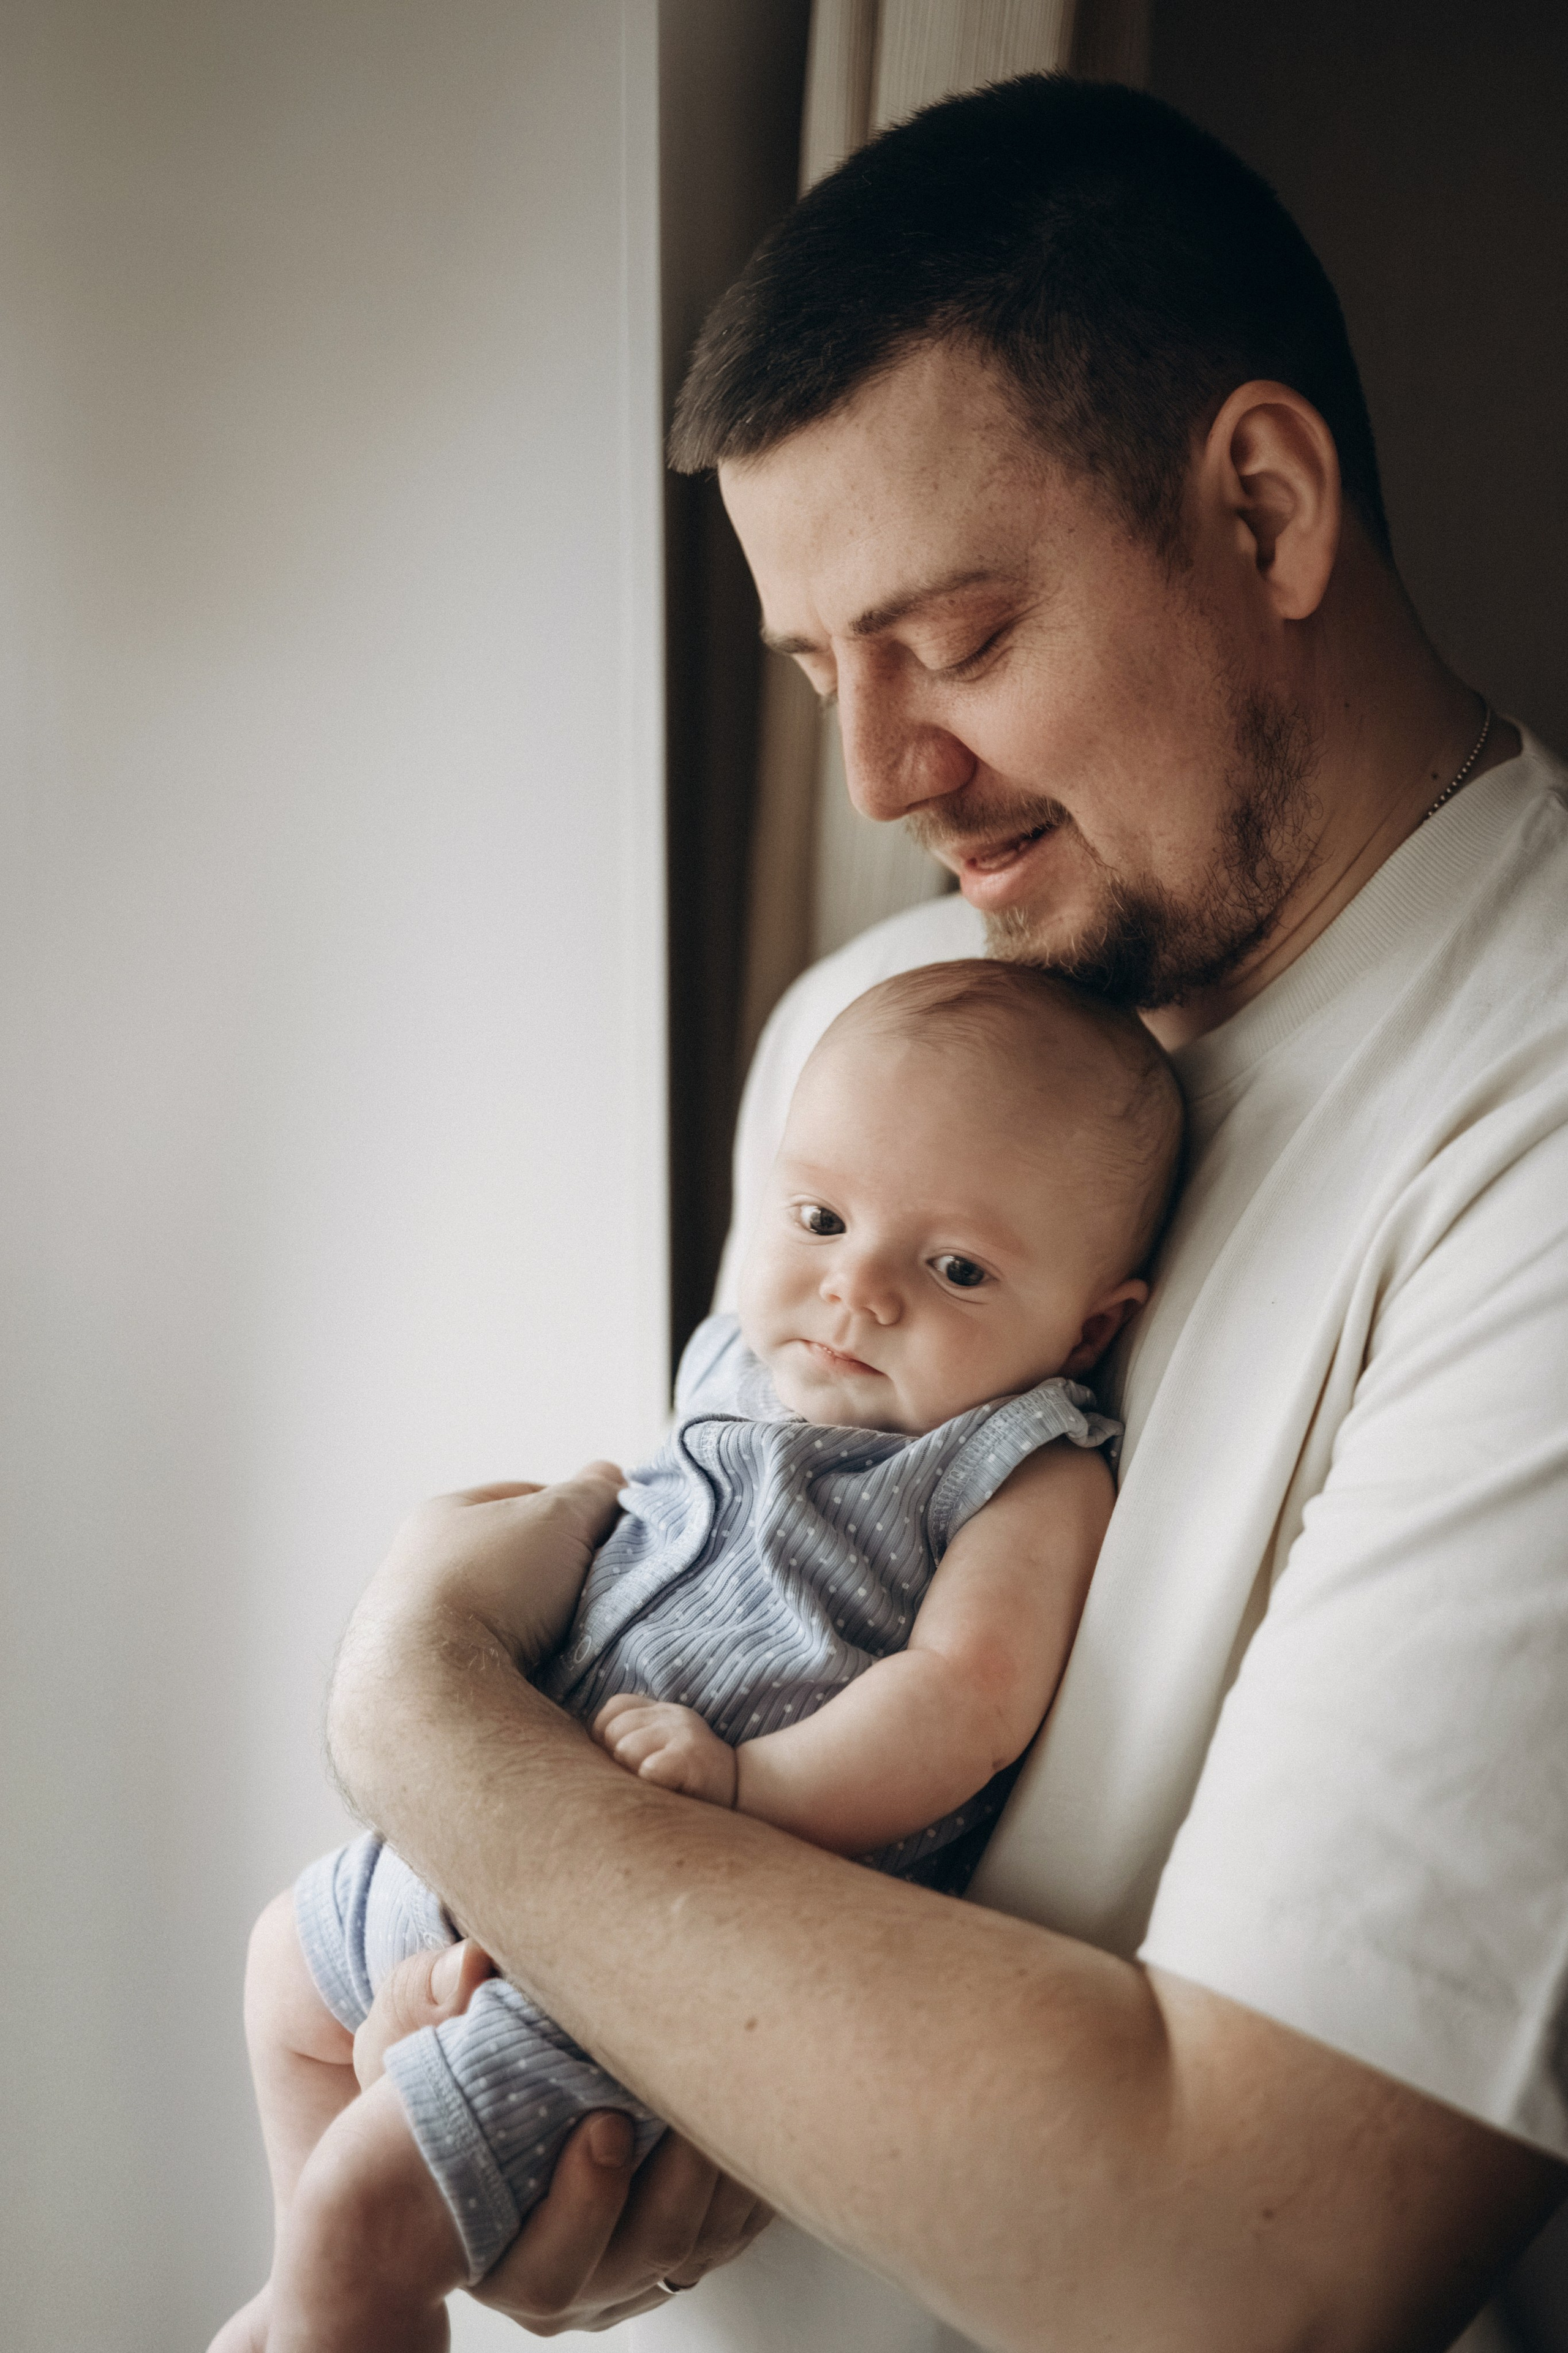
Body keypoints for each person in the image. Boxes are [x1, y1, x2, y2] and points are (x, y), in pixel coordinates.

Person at [322, 75, 1568, 2351]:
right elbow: (724, 1636)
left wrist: (420, 1720)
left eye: (960, 640)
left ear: (1266, 511)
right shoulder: (878, 1023)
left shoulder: (1535, 1113)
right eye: (825, 672)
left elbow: (1248, 2262)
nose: (884, 778)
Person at [215, 964, 1182, 2352]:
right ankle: (308, 2282)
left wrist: (748, 1786)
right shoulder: (739, 1360)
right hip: (477, 1843)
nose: (856, 1290)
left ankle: (344, 2290)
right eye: (819, 1218)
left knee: (368, 2212)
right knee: (281, 1978)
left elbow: (966, 1701)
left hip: (667, 1935)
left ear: (1087, 1324)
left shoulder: (1016, 1466)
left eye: (954, 1266)